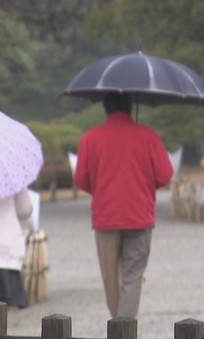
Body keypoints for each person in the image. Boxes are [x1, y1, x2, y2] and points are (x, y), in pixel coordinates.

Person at [74, 92, 174, 319]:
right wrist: (143, 184)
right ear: (131, 108)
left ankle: (118, 328)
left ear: (105, 109)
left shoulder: (90, 138)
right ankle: (125, 332)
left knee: (110, 279)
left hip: (106, 217)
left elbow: (82, 179)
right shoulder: (148, 136)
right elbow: (165, 175)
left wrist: (102, 188)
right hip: (139, 215)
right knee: (133, 277)